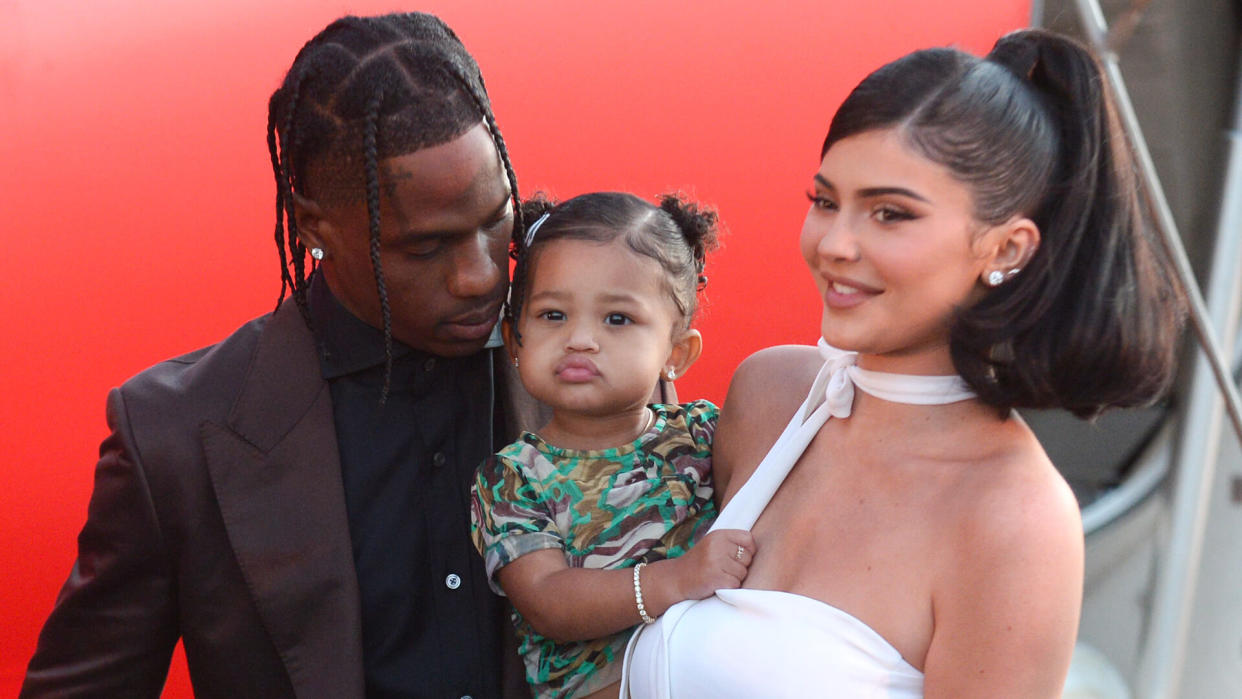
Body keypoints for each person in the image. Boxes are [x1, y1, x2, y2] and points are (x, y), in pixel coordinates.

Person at [622, 29, 1184, 698]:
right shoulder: (769, 394)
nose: (835, 243)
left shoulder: (1017, 519)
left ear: (1005, 249)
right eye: (826, 201)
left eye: (891, 214)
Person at [23, 13, 540, 698]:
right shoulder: (174, 437)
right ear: (313, 224)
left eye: (496, 216)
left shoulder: (607, 359)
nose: (480, 273)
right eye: (426, 246)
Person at [471, 193, 753, 699]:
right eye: (553, 315)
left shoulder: (706, 435)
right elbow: (547, 599)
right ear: (515, 341)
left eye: (617, 319)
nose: (580, 339)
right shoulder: (513, 477)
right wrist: (676, 579)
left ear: (677, 353)